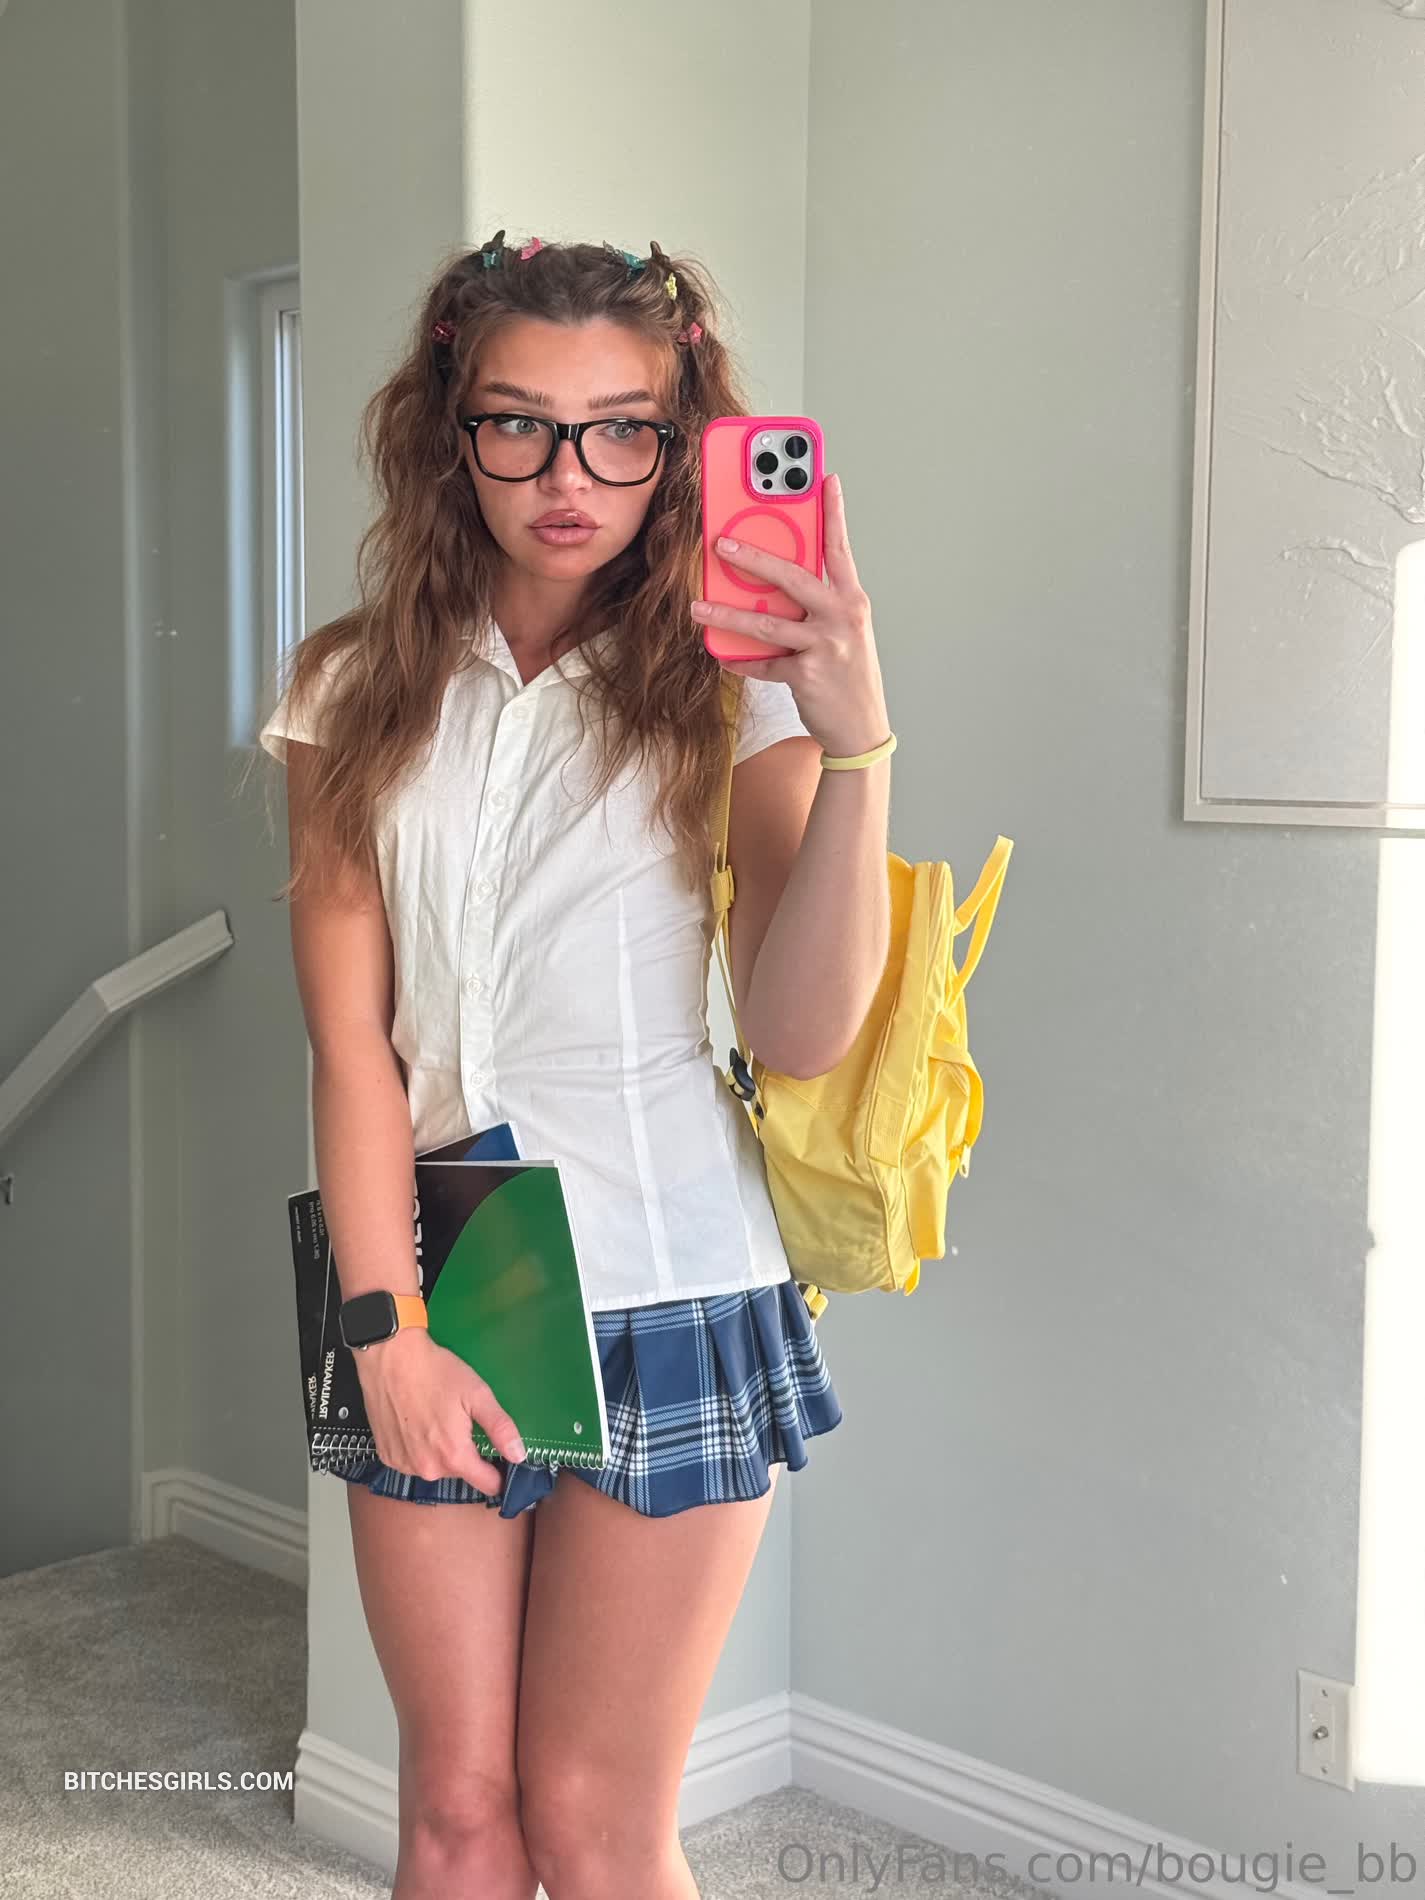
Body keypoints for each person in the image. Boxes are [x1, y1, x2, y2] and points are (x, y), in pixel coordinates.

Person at [256, 233, 894, 1900]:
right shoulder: (348, 685)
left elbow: (802, 1029)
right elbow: (352, 1042)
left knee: (598, 1829)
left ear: (680, 442)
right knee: (455, 1814)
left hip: (668, 1275)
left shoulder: (734, 694)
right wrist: (383, 1328)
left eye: (622, 430)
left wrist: (856, 745)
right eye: (519, 423)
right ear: (449, 427)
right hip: (440, 1273)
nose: (568, 476)